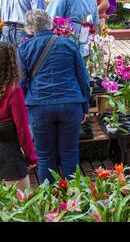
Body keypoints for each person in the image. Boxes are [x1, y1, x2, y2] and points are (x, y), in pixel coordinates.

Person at [17, 10, 90, 183]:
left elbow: (21, 83)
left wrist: (28, 108)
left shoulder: (24, 48)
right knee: (70, 154)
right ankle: (74, 201)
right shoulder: (68, 44)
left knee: (45, 157)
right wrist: (85, 106)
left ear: (29, 28)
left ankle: (49, 203)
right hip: (71, 104)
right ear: (50, 24)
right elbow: (83, 79)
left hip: (39, 106)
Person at [0, 42, 37, 193]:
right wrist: (30, 157)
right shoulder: (14, 91)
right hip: (9, 154)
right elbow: (22, 129)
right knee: (21, 204)